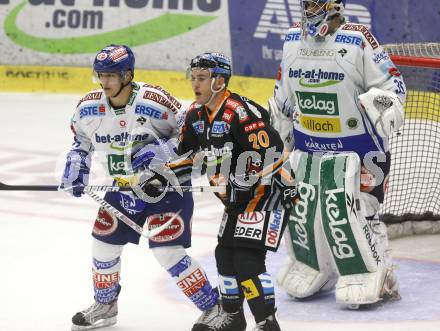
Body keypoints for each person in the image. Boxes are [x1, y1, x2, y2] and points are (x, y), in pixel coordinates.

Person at [60, 44, 219, 330]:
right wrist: (77, 162)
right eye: (100, 75)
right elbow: (81, 141)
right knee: (103, 245)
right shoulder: (88, 106)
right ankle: (106, 306)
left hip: (168, 187)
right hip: (123, 189)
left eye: (111, 75)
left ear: (128, 74)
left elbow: (193, 133)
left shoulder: (154, 100)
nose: (104, 82)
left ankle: (213, 307)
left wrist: (163, 152)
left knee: (167, 251)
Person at [270, 0, 406, 308]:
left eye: (316, 1)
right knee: (303, 210)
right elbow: (284, 92)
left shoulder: (358, 38)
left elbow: (393, 85)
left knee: (359, 213)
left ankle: (378, 272)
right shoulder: (293, 39)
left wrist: (382, 104)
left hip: (360, 152)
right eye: (305, 2)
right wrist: (282, 128)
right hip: (308, 150)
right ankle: (314, 264)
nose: (309, 7)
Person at [174, 52, 297, 331]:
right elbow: (188, 158)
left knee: (246, 258)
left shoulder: (241, 112)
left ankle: (267, 322)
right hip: (236, 201)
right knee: (224, 254)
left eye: (202, 79)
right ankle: (232, 316)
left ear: (219, 81)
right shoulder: (194, 115)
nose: (195, 84)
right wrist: (158, 176)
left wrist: (244, 178)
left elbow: (274, 154)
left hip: (269, 194)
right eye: (193, 78)